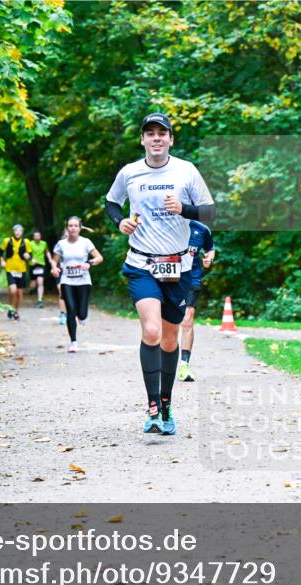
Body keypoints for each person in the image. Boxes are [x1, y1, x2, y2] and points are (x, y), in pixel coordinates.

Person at [105, 112, 215, 435]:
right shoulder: (129, 173)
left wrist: (185, 209)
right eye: (149, 133)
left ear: (170, 139)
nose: (156, 138)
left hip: (178, 267)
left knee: (170, 339)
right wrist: (119, 222)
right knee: (151, 331)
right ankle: (152, 407)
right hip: (142, 263)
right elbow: (112, 203)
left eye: (161, 133)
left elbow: (210, 211)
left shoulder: (186, 171)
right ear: (142, 140)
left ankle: (166, 404)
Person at [52, 216, 103, 352]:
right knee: (71, 310)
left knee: (81, 314)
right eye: (70, 225)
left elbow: (99, 257)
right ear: (67, 228)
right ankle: (73, 342)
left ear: (80, 228)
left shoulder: (86, 242)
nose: (73, 228)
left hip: (83, 280)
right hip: (67, 280)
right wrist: (55, 268)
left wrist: (89, 263)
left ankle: (82, 317)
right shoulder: (61, 244)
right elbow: (54, 260)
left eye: (75, 225)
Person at [177, 220, 215, 382]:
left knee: (187, 320)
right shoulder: (168, 222)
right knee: (166, 322)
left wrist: (209, 258)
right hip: (167, 278)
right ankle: (163, 361)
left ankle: (184, 365)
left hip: (191, 278)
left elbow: (210, 249)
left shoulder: (201, 229)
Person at [1, 224, 32, 320]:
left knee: (19, 293)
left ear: (22, 232)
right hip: (10, 269)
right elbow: (0, 252)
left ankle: (15, 311)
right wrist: (2, 260)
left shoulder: (26, 242)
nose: (18, 232)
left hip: (21, 270)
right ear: (13, 232)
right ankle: (11, 307)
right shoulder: (7, 241)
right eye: (16, 231)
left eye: (20, 231)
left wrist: (28, 256)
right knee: (13, 290)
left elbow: (30, 254)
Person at [26, 230, 50, 308]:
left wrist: (50, 259)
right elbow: (26, 254)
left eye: (38, 236)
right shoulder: (30, 243)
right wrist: (31, 259)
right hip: (33, 265)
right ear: (33, 237)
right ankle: (31, 289)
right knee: (33, 284)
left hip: (41, 265)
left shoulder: (44, 243)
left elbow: (47, 252)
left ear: (40, 237)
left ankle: (40, 300)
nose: (37, 237)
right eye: (35, 236)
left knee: (40, 282)